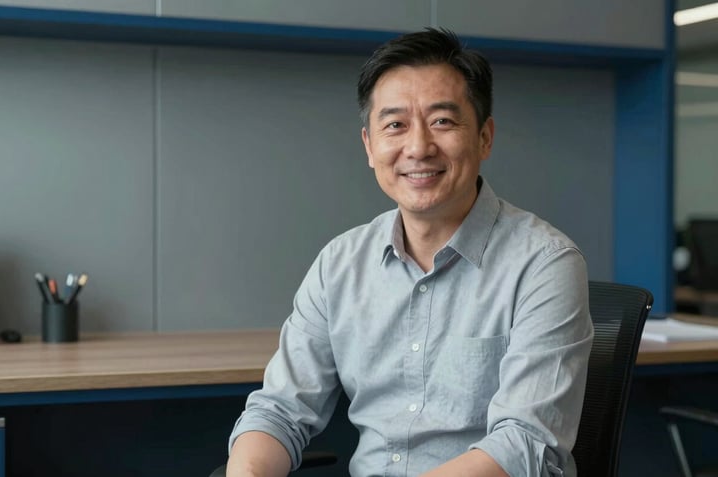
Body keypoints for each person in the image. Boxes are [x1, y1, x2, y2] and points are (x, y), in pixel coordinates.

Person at [226, 28, 594, 477]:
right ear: (369, 146)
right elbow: (279, 411)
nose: (418, 147)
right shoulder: (340, 264)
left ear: (484, 137)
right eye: (395, 125)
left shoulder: (544, 264)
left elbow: (525, 444)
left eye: (442, 121)